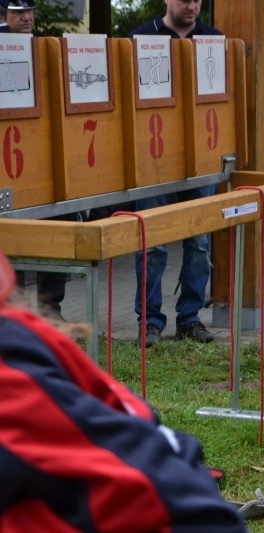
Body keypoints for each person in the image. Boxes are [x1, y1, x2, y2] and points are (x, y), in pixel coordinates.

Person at [0, 249, 248, 531]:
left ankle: (176, 319)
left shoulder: (14, 375)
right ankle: (152, 322)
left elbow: (181, 503)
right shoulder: (26, 342)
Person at [129, 0, 222, 347]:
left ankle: (190, 318)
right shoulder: (139, 40)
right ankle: (149, 321)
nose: (192, 5)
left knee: (199, 243)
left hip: (202, 157)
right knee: (151, 242)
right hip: (154, 158)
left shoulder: (214, 41)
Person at [3, 0, 71, 322]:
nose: (27, 18)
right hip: (7, 159)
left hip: (38, 156)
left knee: (56, 224)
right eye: (18, 12)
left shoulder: (43, 49)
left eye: (29, 11)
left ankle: (49, 312)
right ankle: (14, 316)